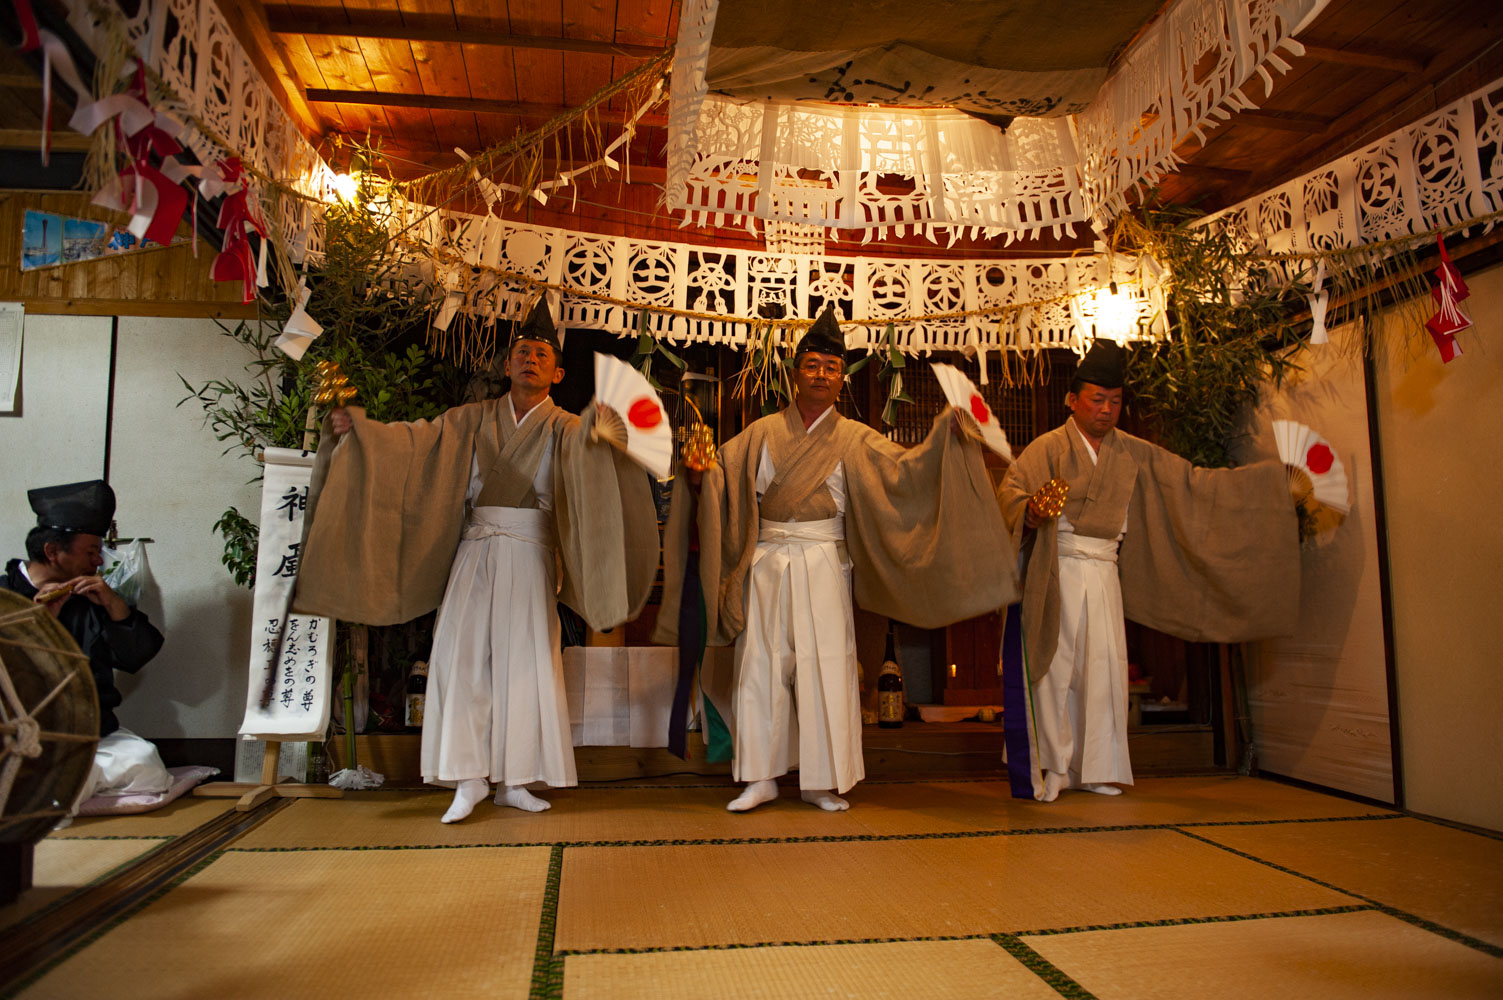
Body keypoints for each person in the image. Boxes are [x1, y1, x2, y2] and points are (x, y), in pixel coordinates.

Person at [295, 300, 658, 823]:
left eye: (542, 354)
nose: (530, 360)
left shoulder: (565, 428)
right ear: (506, 365)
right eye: (522, 352)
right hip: (475, 551)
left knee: (528, 667)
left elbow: (605, 470)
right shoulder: (467, 421)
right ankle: (468, 778)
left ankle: (515, 780)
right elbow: (410, 444)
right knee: (462, 662)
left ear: (558, 372)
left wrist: (614, 437)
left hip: (531, 556)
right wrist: (362, 432)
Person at [655, 307, 1018, 812]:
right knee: (761, 666)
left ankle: (821, 780)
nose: (821, 374)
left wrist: (942, 437)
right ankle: (759, 776)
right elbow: (717, 477)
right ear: (794, 372)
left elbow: (906, 471)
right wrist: (698, 470)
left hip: (825, 559)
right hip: (766, 561)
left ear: (841, 377)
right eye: (812, 364)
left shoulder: (854, 438)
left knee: (826, 667)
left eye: (831, 366)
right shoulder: (761, 432)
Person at [997, 339, 1299, 802]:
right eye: (1097, 399)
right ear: (1072, 400)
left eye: (1115, 401)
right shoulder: (1047, 448)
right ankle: (1053, 767)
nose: (1106, 410)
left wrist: (1274, 486)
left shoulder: (1133, 452)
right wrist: (1032, 512)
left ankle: (1097, 767)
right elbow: (1010, 493)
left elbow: (1194, 483)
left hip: (1104, 570)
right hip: (1056, 570)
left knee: (1103, 670)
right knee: (1056, 671)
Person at [2, 480, 170, 803]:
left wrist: (114, 605)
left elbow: (136, 657)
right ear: (52, 551)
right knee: (48, 783)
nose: (98, 562)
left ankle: (73, 783)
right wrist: (39, 624)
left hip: (91, 734)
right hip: (21, 733)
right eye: (91, 551)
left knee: (147, 764)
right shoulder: (4, 596)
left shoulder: (91, 597)